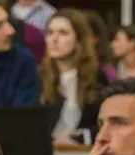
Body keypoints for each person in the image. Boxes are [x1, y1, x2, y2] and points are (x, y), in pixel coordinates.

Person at [40, 9, 108, 145]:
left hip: (81, 154)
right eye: (50, 32)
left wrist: (78, 138)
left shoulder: (96, 77)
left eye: (63, 33)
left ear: (79, 39)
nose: (54, 39)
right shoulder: (39, 76)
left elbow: (105, 124)